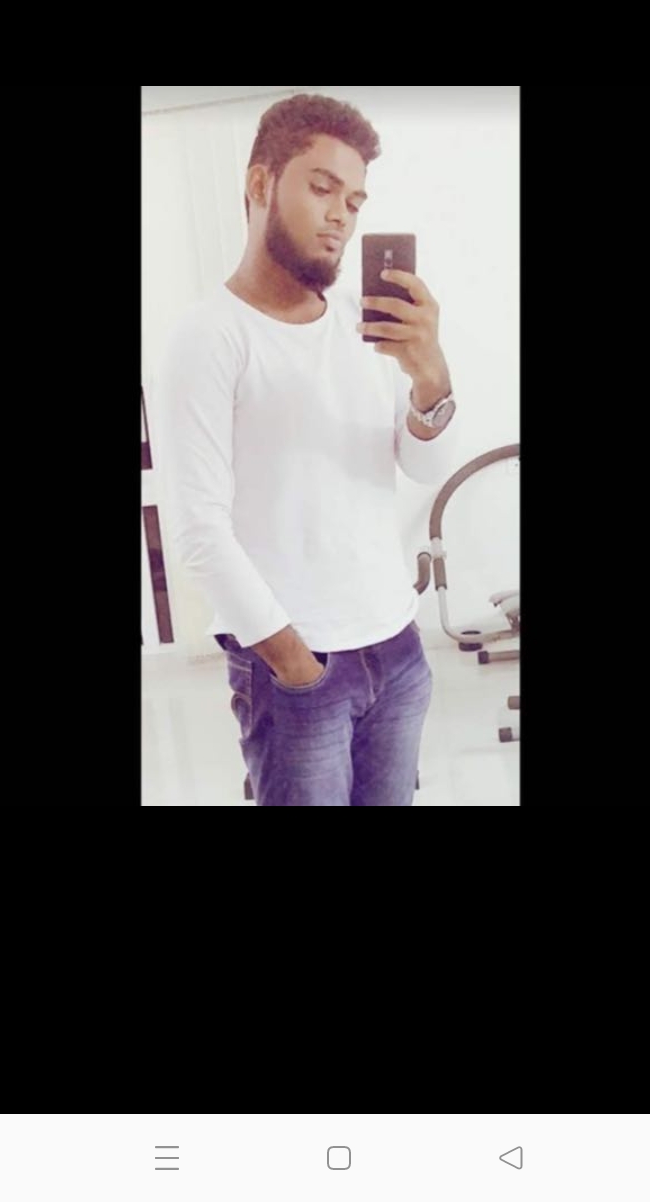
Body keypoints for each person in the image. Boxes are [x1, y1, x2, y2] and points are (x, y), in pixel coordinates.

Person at [157, 93, 459, 805]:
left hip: (397, 648)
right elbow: (199, 531)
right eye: (322, 188)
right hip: (299, 667)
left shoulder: (363, 323)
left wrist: (431, 376)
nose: (340, 217)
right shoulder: (209, 337)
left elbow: (422, 466)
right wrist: (295, 665)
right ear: (260, 183)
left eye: (353, 201)